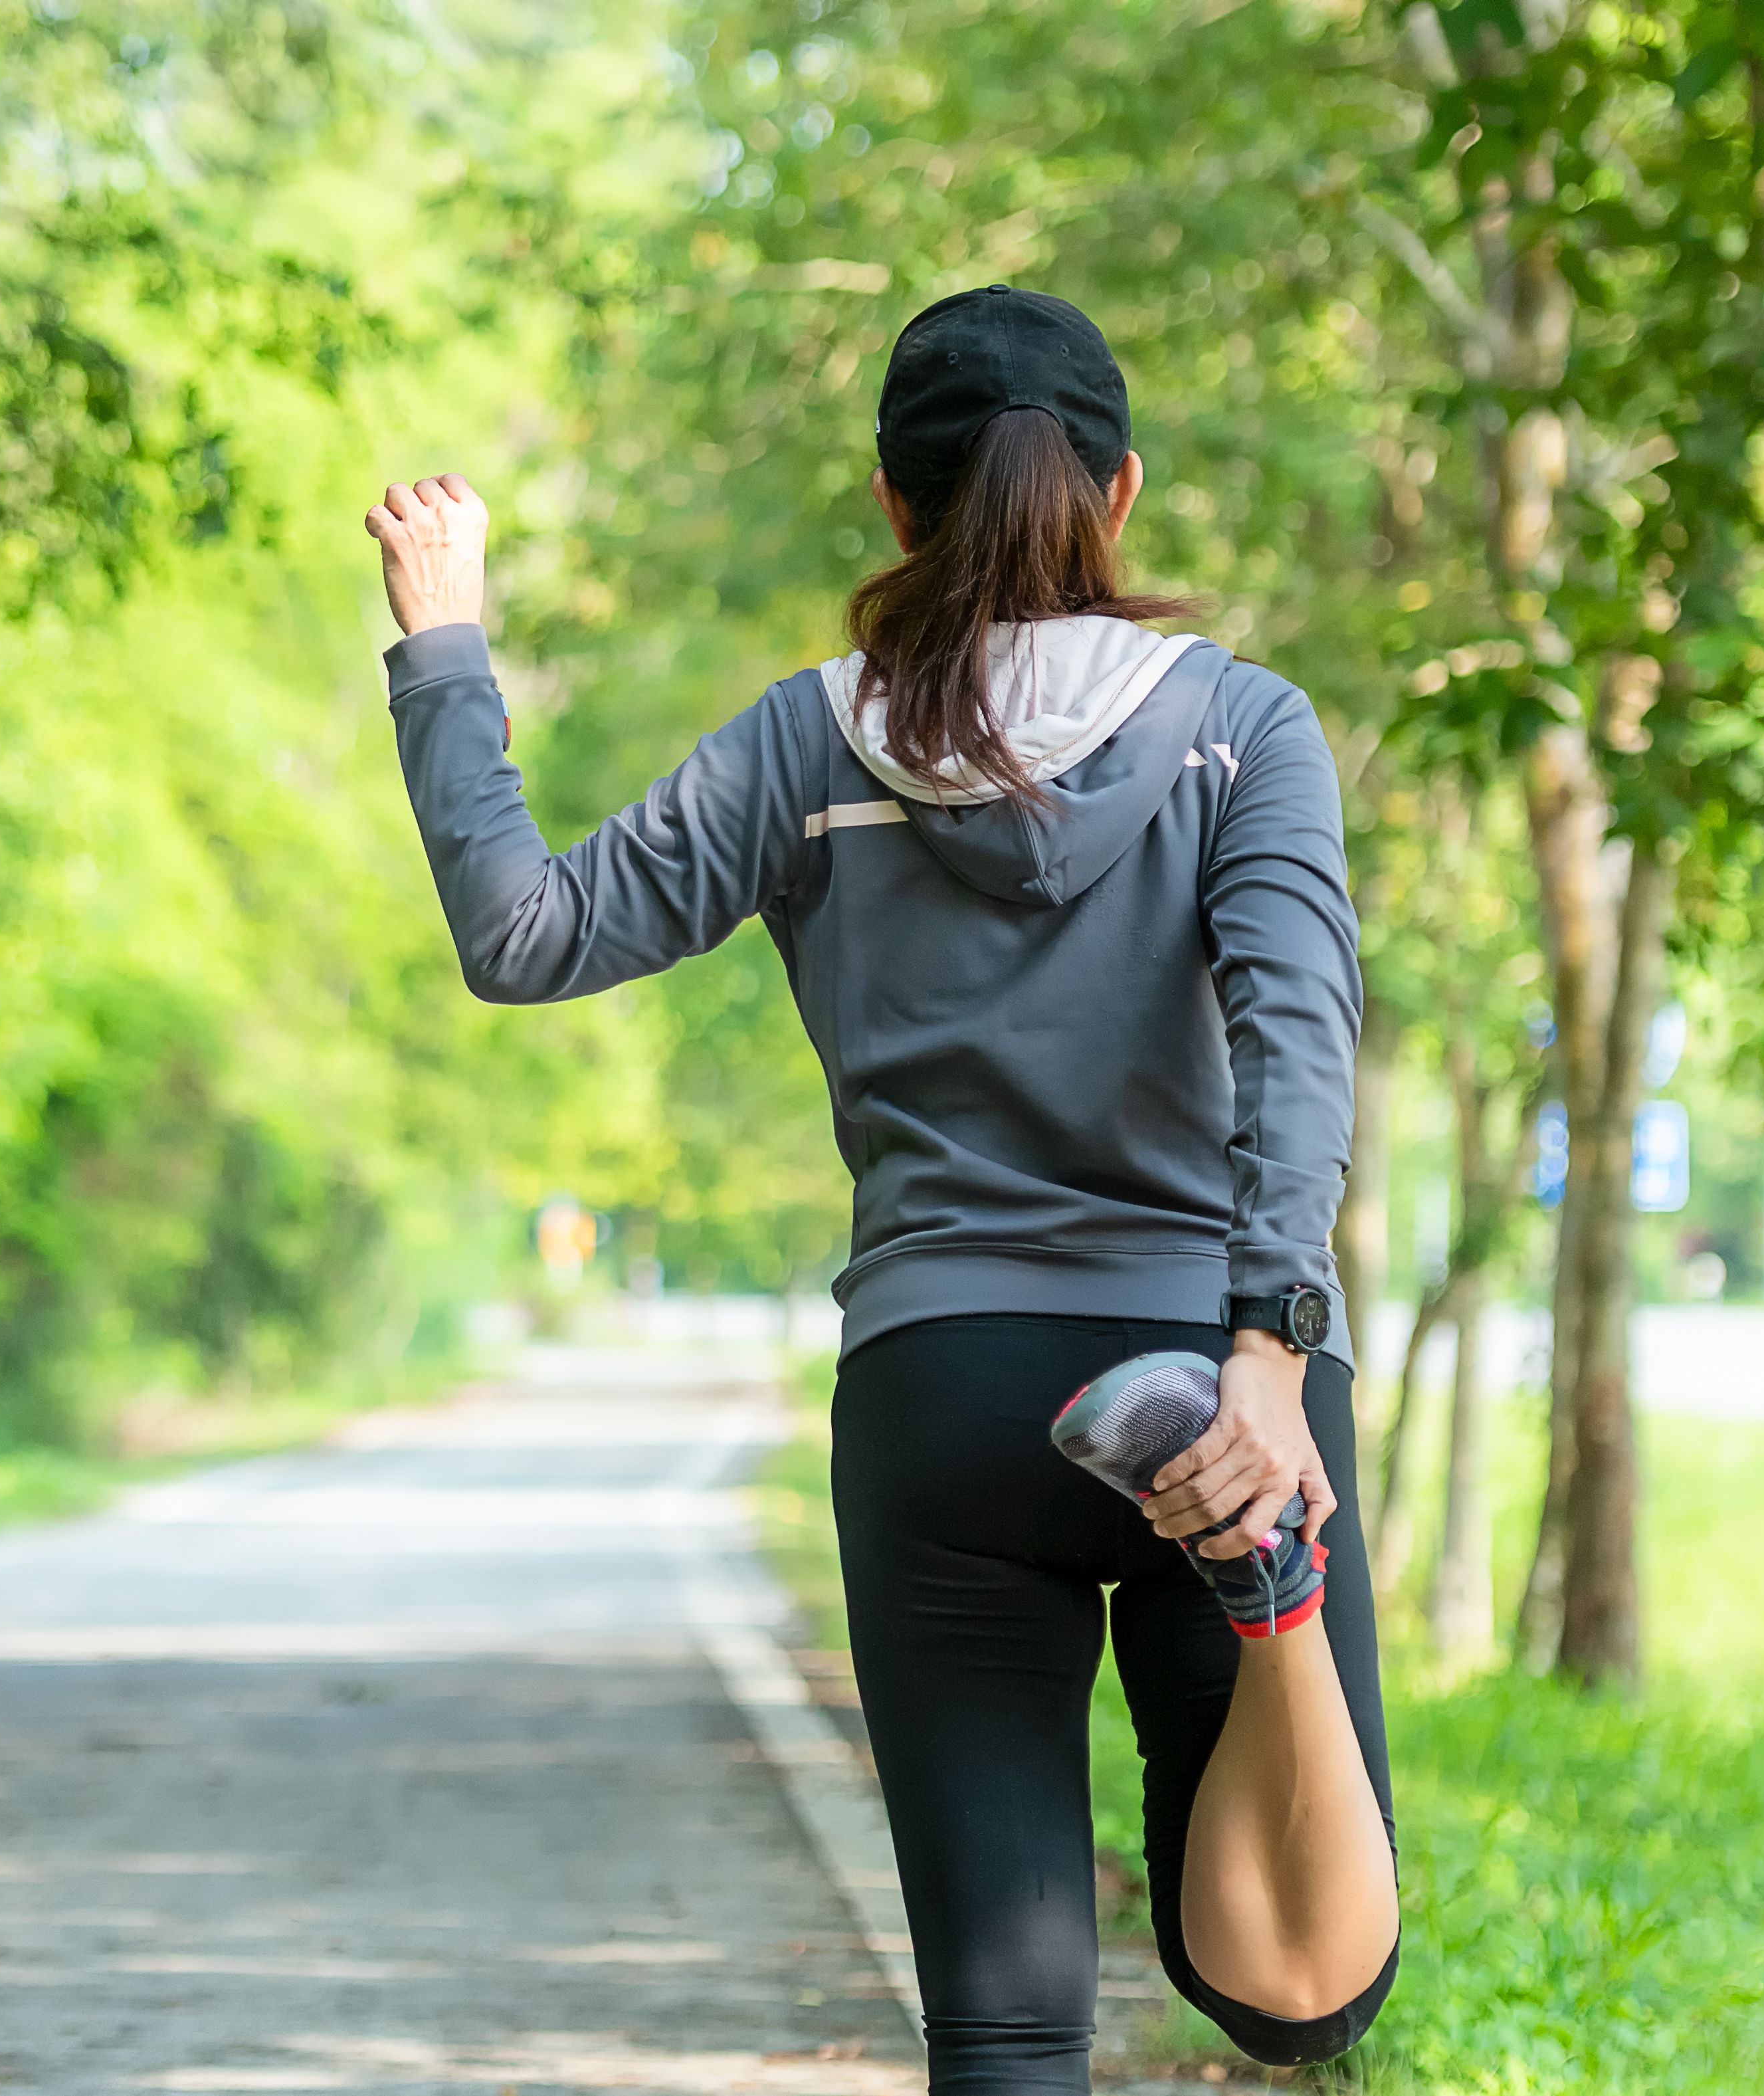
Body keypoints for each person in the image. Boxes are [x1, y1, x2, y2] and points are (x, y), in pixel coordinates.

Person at [359, 285, 1394, 2091]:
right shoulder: (1245, 728)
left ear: (894, 507)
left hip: (944, 1388)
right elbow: (1297, 1045)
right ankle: (1271, 1587)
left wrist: (444, 641)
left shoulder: (806, 745)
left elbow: (522, 934)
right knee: (1297, 1989)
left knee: (1005, 2028)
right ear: (1122, 494)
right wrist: (1269, 1353)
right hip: (1209, 1379)